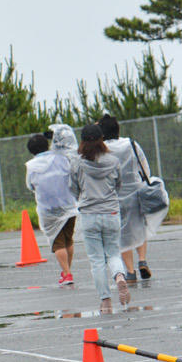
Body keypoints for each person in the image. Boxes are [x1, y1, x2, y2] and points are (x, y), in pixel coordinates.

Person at [70, 124, 130, 312]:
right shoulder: (113, 161)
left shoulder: (77, 163)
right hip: (111, 212)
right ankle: (120, 276)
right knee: (113, 253)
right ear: (101, 140)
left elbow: (73, 189)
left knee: (96, 260)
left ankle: (105, 300)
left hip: (89, 214)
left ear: (82, 141)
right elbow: (118, 184)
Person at [99, 113, 160, 281]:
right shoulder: (131, 143)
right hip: (135, 191)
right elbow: (144, 166)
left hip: (115, 197)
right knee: (140, 228)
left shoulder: (101, 149)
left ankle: (130, 270)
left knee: (122, 233)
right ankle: (142, 260)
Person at [25, 133, 79, 286]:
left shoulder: (31, 166)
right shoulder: (61, 158)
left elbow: (30, 186)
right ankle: (67, 270)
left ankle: (67, 274)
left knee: (58, 243)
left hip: (48, 209)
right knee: (68, 240)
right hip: (68, 206)